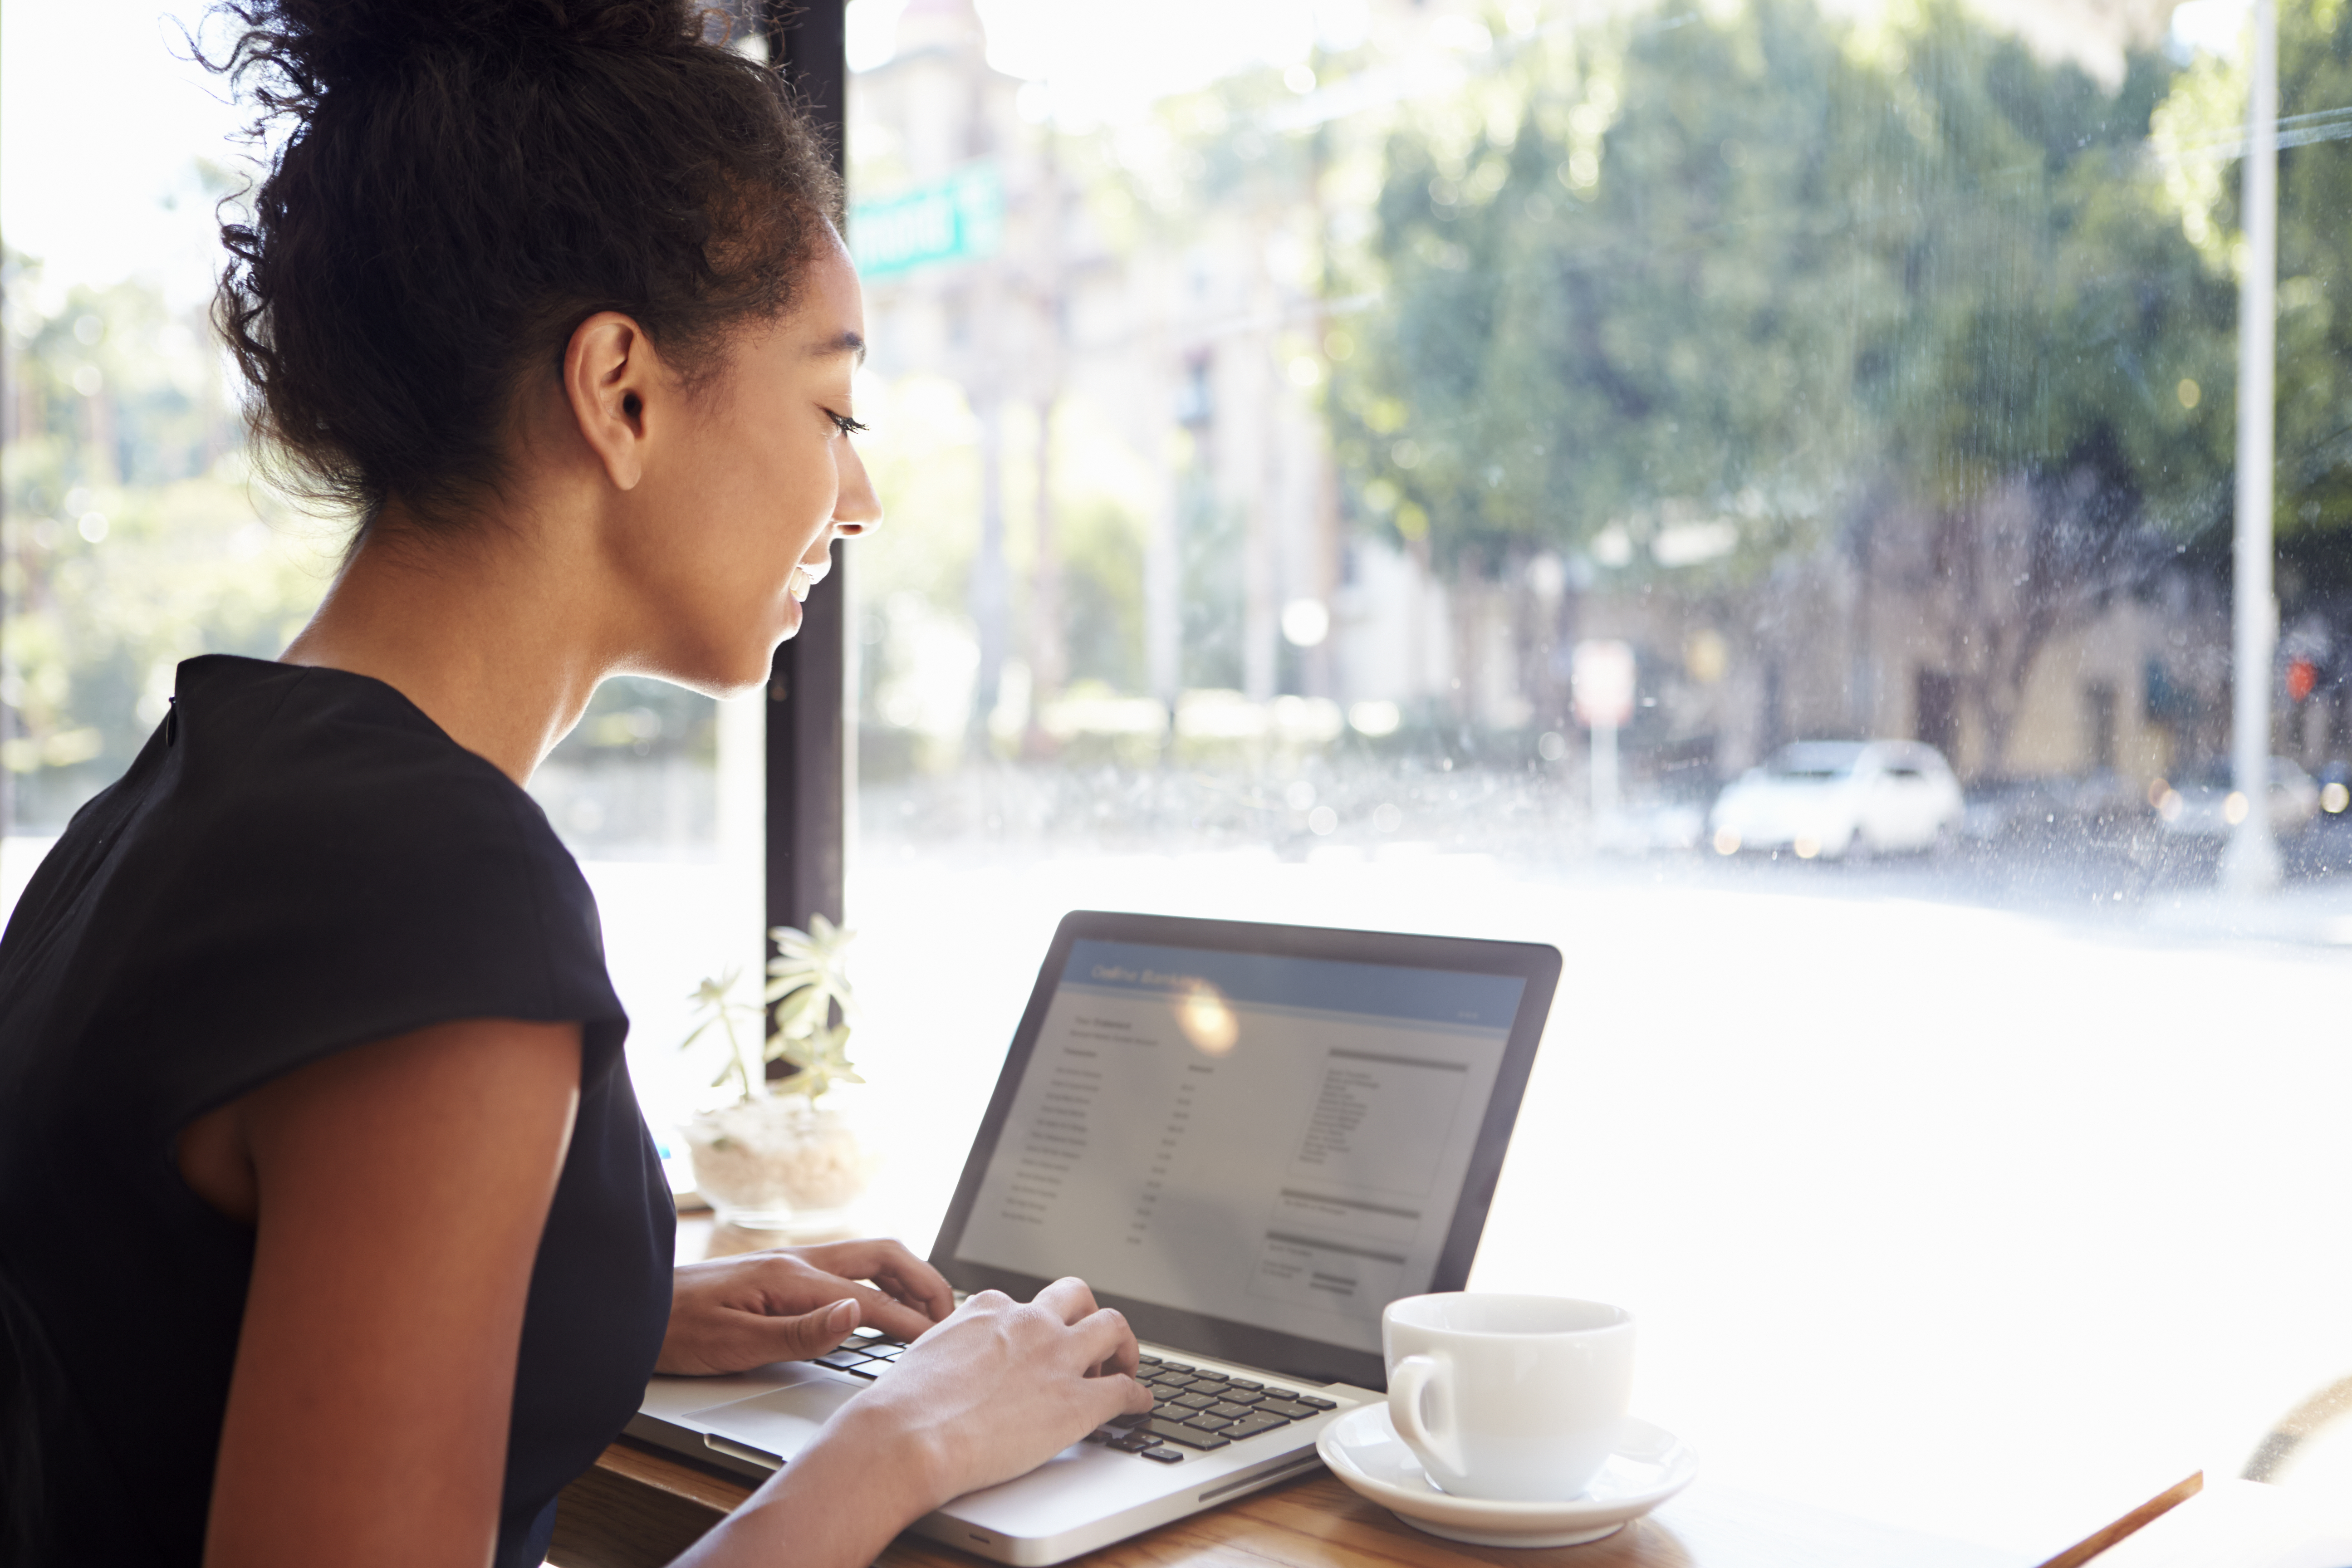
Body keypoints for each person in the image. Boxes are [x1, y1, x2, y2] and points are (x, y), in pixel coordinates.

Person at [0, 3, 1152, 1564]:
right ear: (620, 390)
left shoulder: (177, 800)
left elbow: (167, 1337)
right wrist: (900, 1442)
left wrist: (582, 1310)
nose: (858, 495)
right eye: (833, 407)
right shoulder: (434, 895)